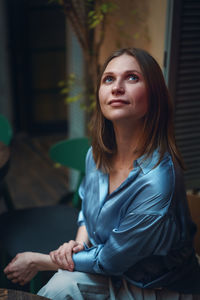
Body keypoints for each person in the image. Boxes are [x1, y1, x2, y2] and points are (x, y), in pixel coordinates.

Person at [4, 48, 200, 299]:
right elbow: (87, 211)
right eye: (108, 79)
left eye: (132, 78)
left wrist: (39, 261)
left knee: (60, 285)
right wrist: (77, 245)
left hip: (155, 286)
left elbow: (111, 261)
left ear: (155, 96)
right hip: (111, 265)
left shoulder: (158, 181)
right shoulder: (96, 155)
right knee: (59, 286)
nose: (117, 87)